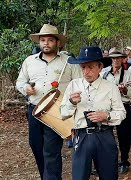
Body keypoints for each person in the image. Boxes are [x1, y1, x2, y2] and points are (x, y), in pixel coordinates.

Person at [16, 24, 82, 179]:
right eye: (43, 40)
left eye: (50, 40)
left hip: (57, 111)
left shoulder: (69, 61)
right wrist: (26, 88)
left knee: (51, 150)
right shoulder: (29, 61)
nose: (46, 43)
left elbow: (79, 84)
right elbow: (20, 82)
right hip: (34, 111)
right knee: (36, 146)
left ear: (58, 43)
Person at [60, 46, 126, 180]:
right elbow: (63, 113)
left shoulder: (110, 87)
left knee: (109, 175)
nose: (86, 72)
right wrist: (72, 103)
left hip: (104, 135)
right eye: (83, 67)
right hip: (82, 136)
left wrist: (106, 116)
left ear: (100, 67)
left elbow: (121, 112)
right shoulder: (74, 85)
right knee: (79, 175)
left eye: (90, 67)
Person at [102, 50, 131, 174]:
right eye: (113, 58)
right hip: (106, 107)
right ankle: (108, 162)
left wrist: (125, 90)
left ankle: (124, 161)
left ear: (122, 59)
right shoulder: (103, 73)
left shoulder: (128, 75)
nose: (116, 60)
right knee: (105, 135)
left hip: (123, 106)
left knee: (124, 136)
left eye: (118, 58)